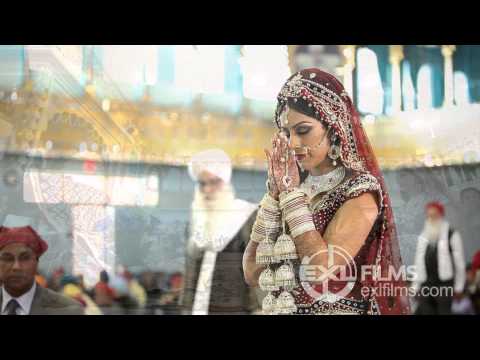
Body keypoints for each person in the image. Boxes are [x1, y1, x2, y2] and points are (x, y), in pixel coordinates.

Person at [243, 68, 410, 315]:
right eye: (286, 133)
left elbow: (319, 269)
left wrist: (289, 195)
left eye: (303, 131)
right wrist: (274, 195)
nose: (292, 144)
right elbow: (252, 272)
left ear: (334, 128)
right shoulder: (293, 190)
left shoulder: (360, 192)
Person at [181, 149, 261, 315]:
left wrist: (258, 308)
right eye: (202, 183)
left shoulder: (246, 215)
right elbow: (190, 271)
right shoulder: (196, 221)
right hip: (200, 308)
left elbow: (257, 267)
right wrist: (186, 308)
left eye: (214, 182)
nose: (207, 189)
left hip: (237, 308)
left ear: (225, 183)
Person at [0, 226, 84, 315]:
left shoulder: (68, 310)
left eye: (25, 258)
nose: (16, 267)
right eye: (7, 258)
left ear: (36, 262)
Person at [413, 202, 466, 315]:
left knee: (443, 311)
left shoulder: (452, 234)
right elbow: (418, 263)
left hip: (444, 283)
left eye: (434, 215)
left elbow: (459, 263)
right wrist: (415, 286)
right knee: (425, 311)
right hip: (426, 283)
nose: (431, 218)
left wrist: (459, 287)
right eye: (429, 215)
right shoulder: (423, 237)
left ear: (441, 215)